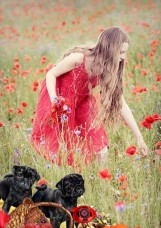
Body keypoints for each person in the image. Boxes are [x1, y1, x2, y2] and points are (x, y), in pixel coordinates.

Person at [31, 27, 148, 167]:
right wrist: (54, 100)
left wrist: (139, 137)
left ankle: (104, 182)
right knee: (63, 142)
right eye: (121, 52)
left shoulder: (108, 68)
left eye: (125, 52)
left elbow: (121, 104)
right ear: (110, 49)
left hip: (82, 101)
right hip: (60, 100)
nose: (123, 57)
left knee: (100, 144)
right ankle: (62, 176)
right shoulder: (79, 58)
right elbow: (51, 74)